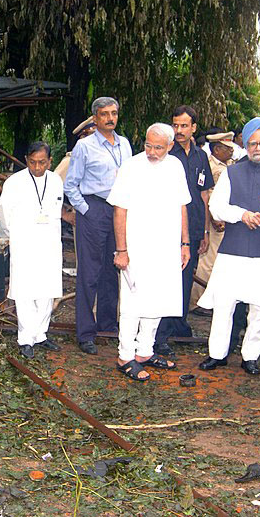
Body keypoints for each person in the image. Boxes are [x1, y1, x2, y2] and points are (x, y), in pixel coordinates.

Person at [197, 117, 260, 375]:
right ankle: (217, 354)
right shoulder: (232, 172)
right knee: (224, 304)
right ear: (246, 145)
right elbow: (217, 206)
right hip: (233, 249)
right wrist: (242, 215)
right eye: (253, 143)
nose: (258, 148)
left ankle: (250, 356)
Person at [108, 123, 188, 381]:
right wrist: (121, 249)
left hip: (166, 248)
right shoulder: (131, 167)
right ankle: (125, 356)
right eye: (148, 145)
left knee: (158, 300)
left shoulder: (175, 166)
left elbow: (182, 206)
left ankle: (144, 351)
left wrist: (185, 243)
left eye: (158, 148)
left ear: (170, 146)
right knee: (133, 303)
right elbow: (119, 210)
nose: (152, 152)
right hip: (136, 248)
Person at [64, 96, 132, 355]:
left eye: (114, 113)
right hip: (94, 208)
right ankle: (85, 333)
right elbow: (71, 184)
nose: (110, 118)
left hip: (119, 210)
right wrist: (86, 210)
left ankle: (107, 325)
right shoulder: (85, 146)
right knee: (89, 272)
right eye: (104, 114)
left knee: (112, 270)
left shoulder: (125, 144)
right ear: (95, 118)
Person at [153, 105, 213, 356]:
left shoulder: (200, 157)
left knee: (186, 280)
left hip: (195, 227)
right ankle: (160, 334)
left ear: (193, 128)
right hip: (169, 227)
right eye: (175, 125)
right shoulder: (165, 154)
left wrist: (206, 231)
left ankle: (179, 325)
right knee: (167, 281)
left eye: (184, 126)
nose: (179, 130)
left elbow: (204, 194)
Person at [0, 141, 63, 359]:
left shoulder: (56, 181)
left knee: (46, 290)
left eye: (42, 162)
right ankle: (26, 339)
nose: (37, 167)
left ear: (50, 161)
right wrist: (17, 235)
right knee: (25, 291)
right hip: (24, 243)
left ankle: (41, 334)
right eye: (33, 162)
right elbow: (4, 214)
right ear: (26, 160)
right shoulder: (14, 182)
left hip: (49, 243)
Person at [190, 132, 235, 312]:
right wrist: (215, 218)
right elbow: (207, 195)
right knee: (208, 261)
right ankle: (197, 301)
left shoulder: (229, 165)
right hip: (214, 220)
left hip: (226, 218)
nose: (231, 151)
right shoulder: (211, 166)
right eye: (227, 148)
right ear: (217, 149)